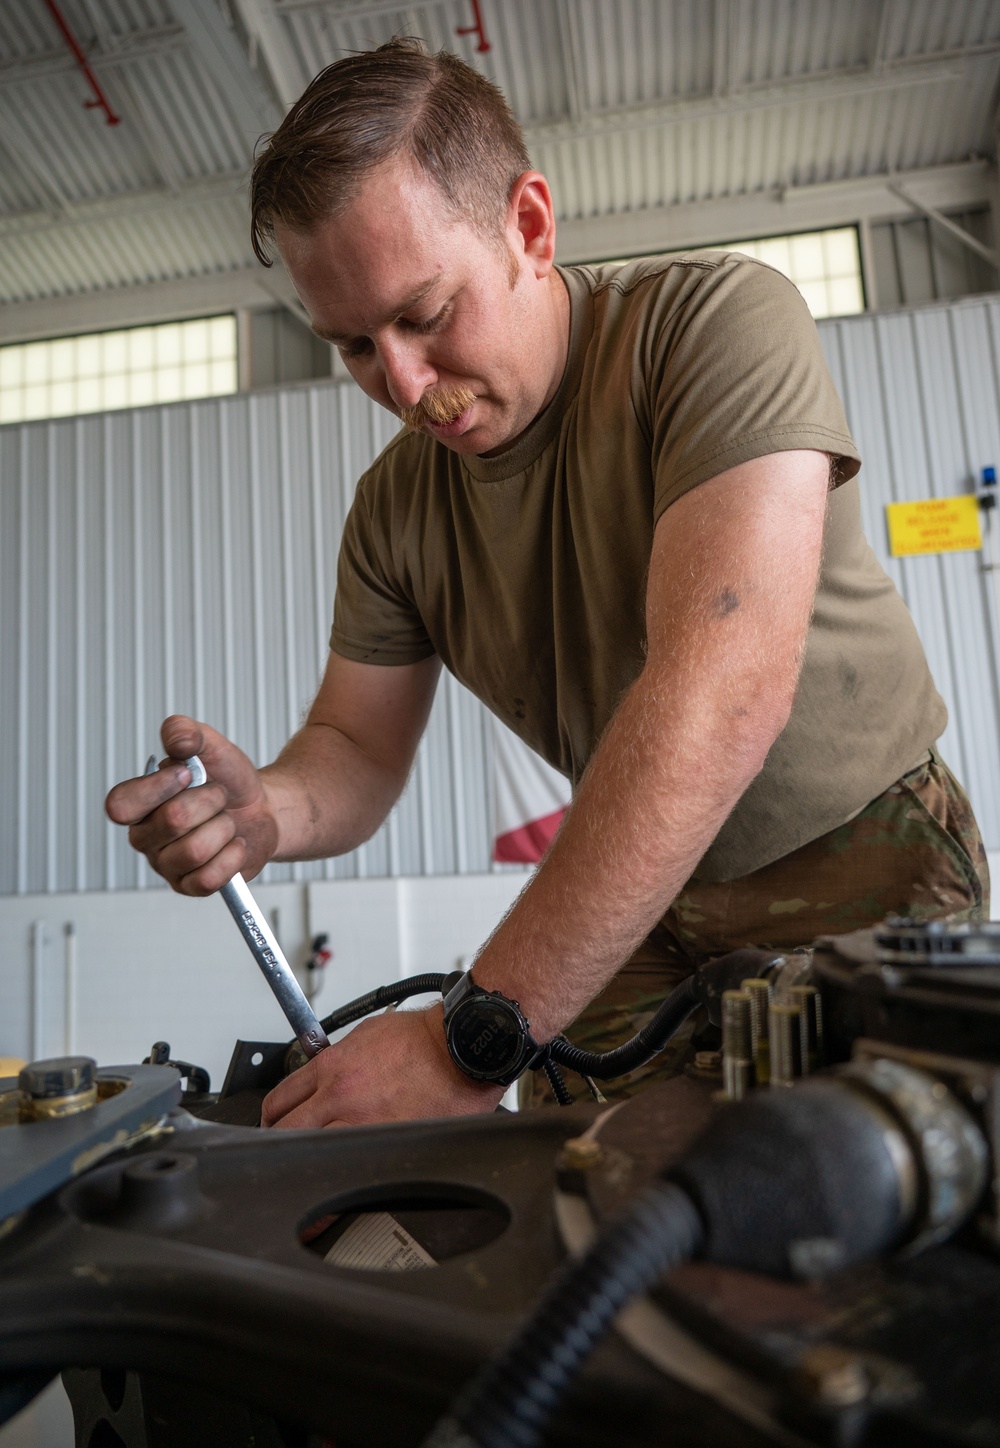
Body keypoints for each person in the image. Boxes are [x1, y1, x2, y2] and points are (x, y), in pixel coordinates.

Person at [106, 39, 988, 1128]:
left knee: (871, 1203)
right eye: (354, 347)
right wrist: (265, 812)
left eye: (425, 315)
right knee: (590, 1201)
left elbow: (722, 695)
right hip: (629, 898)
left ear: (528, 225)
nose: (405, 384)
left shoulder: (709, 328)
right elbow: (355, 749)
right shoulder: (394, 510)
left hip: (860, 854)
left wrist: (470, 1035)